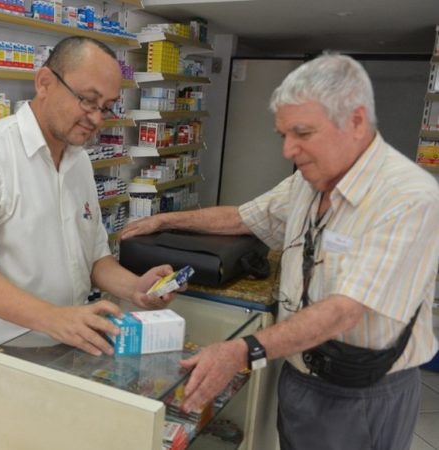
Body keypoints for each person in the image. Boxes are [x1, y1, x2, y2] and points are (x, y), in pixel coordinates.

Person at [120, 53, 439, 450]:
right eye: (283, 135)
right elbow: (241, 218)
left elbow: (346, 308)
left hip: (365, 393)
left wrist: (241, 351)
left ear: (356, 122)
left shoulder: (409, 197)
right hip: (301, 376)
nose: (289, 150)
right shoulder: (307, 181)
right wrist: (164, 221)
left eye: (303, 133)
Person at [0, 36, 177, 450]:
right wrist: (57, 318)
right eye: (88, 100)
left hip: (64, 349)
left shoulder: (79, 160)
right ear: (45, 82)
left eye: (106, 107)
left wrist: (135, 287)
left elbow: (93, 257)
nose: (96, 118)